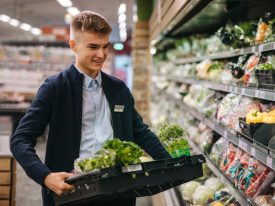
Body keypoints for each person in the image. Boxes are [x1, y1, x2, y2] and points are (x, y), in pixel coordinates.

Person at [10, 11, 170, 206]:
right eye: (93, 47)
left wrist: (171, 162)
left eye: (105, 47)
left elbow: (140, 132)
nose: (101, 55)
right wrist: (45, 177)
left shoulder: (118, 90)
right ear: (73, 46)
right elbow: (20, 140)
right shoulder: (55, 88)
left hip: (119, 191)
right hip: (71, 192)